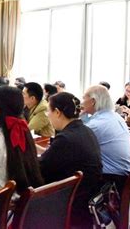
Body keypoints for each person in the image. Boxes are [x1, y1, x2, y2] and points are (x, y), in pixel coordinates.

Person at [39, 92, 102, 228]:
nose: (47, 115)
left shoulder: (66, 138)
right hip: (87, 194)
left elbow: (41, 168)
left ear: (57, 112)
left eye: (48, 111)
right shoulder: (85, 130)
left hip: (72, 200)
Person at [81, 85, 130, 192]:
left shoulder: (97, 124)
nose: (82, 102)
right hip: (123, 175)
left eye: (84, 98)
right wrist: (83, 116)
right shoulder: (114, 116)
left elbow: (75, 144)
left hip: (110, 181)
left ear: (93, 101)